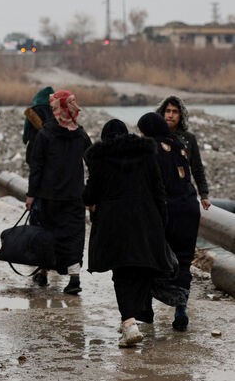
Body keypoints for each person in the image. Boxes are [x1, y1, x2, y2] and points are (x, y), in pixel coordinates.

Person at [83, 119, 177, 347]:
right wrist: (161, 221)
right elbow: (158, 190)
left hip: (115, 224)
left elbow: (89, 196)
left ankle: (128, 323)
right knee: (144, 269)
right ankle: (132, 317)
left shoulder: (101, 159)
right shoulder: (146, 155)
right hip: (147, 220)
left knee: (122, 273)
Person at [138, 112, 202, 332]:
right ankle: (181, 309)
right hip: (189, 209)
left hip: (166, 211)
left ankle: (146, 311)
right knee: (183, 261)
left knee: (150, 258)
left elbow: (149, 184)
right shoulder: (178, 144)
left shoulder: (150, 148)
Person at [25, 90, 91, 294]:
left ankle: (43, 274)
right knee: (74, 237)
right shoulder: (81, 135)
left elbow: (37, 166)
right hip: (74, 196)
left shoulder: (45, 134)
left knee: (47, 235)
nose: (53, 111)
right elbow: (94, 164)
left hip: (48, 196)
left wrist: (31, 194)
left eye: (54, 108)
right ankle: (74, 278)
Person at [156, 96, 211, 211]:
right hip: (160, 197)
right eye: (168, 111)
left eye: (175, 112)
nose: (170, 115)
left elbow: (197, 168)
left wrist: (204, 195)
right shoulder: (154, 137)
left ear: (181, 115)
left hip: (183, 196)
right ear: (162, 113)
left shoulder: (189, 139)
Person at [23, 86, 55, 163]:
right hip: (51, 146)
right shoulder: (55, 111)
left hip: (34, 144)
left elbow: (26, 128)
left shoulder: (32, 111)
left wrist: (25, 139)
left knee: (34, 167)